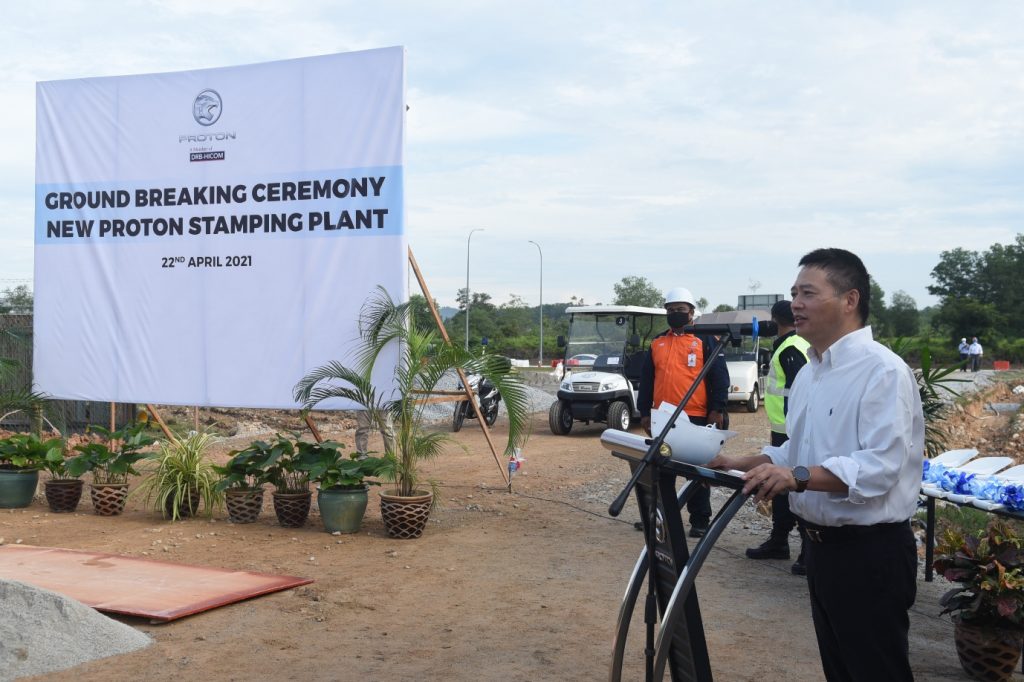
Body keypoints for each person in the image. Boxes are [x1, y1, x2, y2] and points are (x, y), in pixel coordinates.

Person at [708, 248, 924, 682]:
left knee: (875, 671)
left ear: (850, 300)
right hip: (822, 552)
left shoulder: (883, 371)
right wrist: (733, 462)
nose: (795, 305)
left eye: (808, 293)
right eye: (793, 294)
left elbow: (881, 467)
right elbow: (795, 453)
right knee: (840, 670)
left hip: (869, 552)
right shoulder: (810, 372)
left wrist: (796, 478)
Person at [637, 286, 729, 538]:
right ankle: (657, 517)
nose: (675, 313)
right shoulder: (657, 342)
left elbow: (720, 376)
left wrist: (717, 409)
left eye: (680, 309)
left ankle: (700, 520)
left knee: (696, 470)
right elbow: (647, 379)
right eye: (670, 310)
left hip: (696, 416)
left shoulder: (706, 339)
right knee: (658, 470)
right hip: (662, 417)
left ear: (691, 312)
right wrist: (644, 411)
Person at [744, 300, 810, 575]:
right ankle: (780, 540)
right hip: (784, 428)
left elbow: (800, 391)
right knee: (782, 487)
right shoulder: (794, 343)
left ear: (775, 320)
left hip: (789, 430)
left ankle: (807, 551)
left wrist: (795, 426)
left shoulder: (791, 347)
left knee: (798, 486)